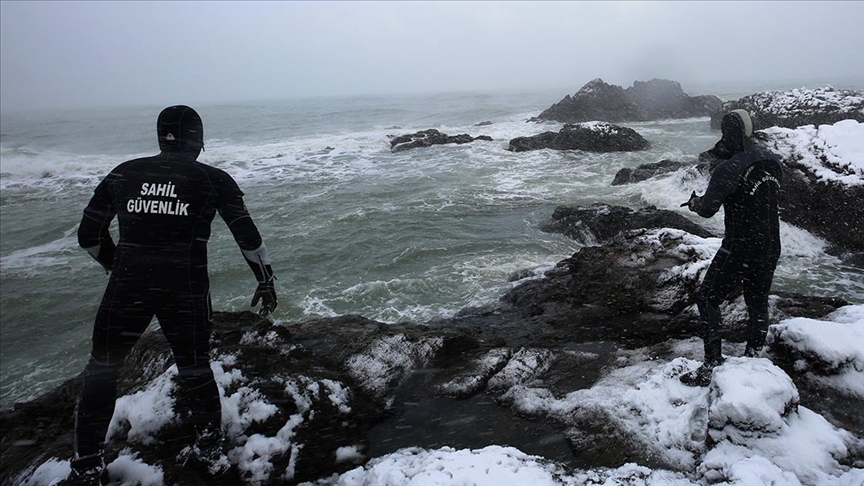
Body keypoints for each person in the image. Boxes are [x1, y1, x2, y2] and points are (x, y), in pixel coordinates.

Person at [63, 105, 278, 485]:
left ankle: (86, 466)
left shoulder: (124, 173)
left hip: (127, 285)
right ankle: (210, 451)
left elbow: (87, 236)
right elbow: (249, 239)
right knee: (194, 368)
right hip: (185, 286)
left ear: (160, 137)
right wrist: (265, 281)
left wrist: (118, 266)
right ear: (198, 139)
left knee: (102, 370)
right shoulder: (212, 179)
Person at [679, 109, 783, 387]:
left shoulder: (729, 168)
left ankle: (711, 365)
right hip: (772, 244)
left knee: (708, 298)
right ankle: (753, 358)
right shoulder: (773, 161)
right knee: (757, 302)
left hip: (741, 247)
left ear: (727, 132)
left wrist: (694, 203)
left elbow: (708, 209)